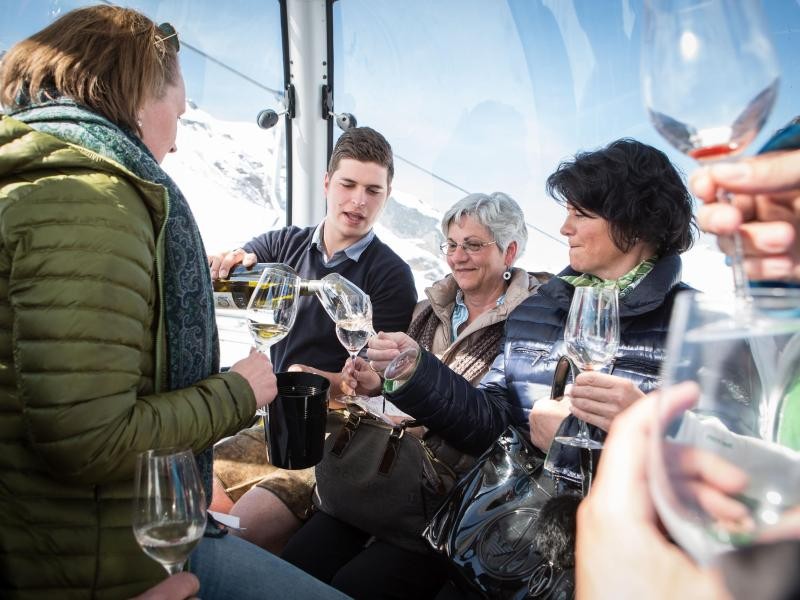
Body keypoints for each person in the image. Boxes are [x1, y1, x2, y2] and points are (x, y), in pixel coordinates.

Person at [0, 7, 347, 599]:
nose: (179, 140)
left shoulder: (39, 182)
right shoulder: (90, 203)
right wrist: (240, 392)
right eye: (179, 113)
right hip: (100, 559)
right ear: (138, 96)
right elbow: (89, 440)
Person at [366, 138, 696, 484]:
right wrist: (417, 370)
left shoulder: (701, 327)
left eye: (580, 214)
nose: (564, 228)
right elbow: (487, 423)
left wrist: (640, 431)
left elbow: (733, 479)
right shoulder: (536, 312)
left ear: (635, 221)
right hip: (517, 525)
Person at [279, 192, 549, 599]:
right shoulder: (428, 308)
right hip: (387, 478)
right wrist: (375, 384)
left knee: (356, 585)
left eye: (473, 245)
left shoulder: (530, 324)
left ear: (509, 251)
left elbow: (491, 422)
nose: (458, 256)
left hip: (446, 499)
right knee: (298, 562)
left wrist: (410, 385)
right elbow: (402, 395)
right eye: (452, 245)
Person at [576, 147, 800, 600]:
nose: (735, 230)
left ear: (634, 222)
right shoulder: (776, 339)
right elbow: (766, 459)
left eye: (581, 214)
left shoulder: (716, 329)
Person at [209, 125, 418, 549]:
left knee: (241, 535)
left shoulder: (392, 276)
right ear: (327, 183)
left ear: (387, 197)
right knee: (192, 490)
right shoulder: (283, 244)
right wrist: (231, 261)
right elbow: (238, 263)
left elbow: (377, 389)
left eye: (373, 191)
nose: (358, 201)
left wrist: (317, 378)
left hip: (334, 435)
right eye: (348, 184)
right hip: (272, 418)